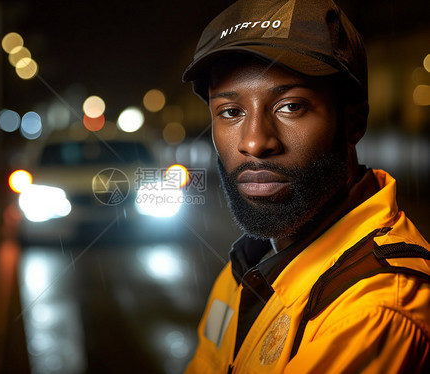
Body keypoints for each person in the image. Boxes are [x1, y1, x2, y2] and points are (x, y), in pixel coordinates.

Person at [182, 0, 430, 373]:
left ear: (353, 121)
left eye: (290, 106)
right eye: (231, 112)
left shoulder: (373, 311)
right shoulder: (249, 264)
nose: (254, 142)